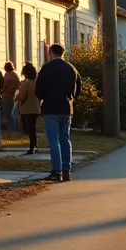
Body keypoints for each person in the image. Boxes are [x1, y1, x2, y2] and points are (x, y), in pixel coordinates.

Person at [34, 43, 82, 182]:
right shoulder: (71, 68)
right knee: (65, 139)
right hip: (66, 108)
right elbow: (79, 88)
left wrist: (44, 97)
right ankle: (67, 170)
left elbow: (38, 89)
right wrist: (71, 98)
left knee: (54, 141)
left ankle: (57, 171)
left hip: (50, 107)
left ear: (51, 53)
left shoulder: (46, 68)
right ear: (63, 53)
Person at [16, 62, 41, 155]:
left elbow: (22, 96)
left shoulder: (26, 83)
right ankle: (35, 145)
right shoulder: (36, 83)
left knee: (29, 129)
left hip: (27, 109)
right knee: (33, 128)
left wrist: (16, 97)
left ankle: (32, 147)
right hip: (36, 108)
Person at [1, 62, 20, 134]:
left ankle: (12, 130)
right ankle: (14, 129)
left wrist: (1, 93)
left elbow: (3, 87)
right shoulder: (16, 76)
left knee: (8, 114)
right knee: (12, 114)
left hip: (7, 97)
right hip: (13, 97)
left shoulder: (7, 76)